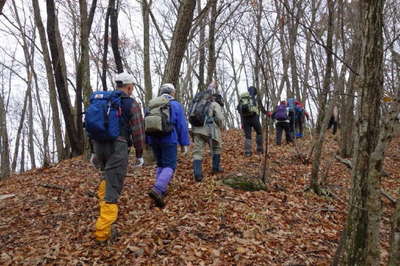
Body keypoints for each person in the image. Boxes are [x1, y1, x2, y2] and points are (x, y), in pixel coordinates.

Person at [92, 72, 145, 243]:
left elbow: (92, 126)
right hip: (118, 147)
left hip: (99, 146)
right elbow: (138, 131)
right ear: (129, 87)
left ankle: (103, 207)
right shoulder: (131, 104)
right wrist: (139, 154)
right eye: (132, 88)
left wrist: (94, 152)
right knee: (113, 187)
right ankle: (102, 233)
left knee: (106, 178)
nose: (132, 90)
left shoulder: (104, 102)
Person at [147, 83, 190, 207]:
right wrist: (184, 144)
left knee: (161, 164)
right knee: (170, 165)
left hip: (154, 139)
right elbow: (181, 126)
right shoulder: (175, 105)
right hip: (169, 139)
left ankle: (161, 189)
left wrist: (148, 142)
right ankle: (158, 189)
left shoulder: (151, 104)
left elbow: (147, 123)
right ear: (172, 92)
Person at [192, 82, 225, 182]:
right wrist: (221, 127)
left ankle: (198, 174)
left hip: (197, 129)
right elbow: (220, 118)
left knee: (197, 152)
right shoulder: (214, 104)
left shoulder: (198, 103)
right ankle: (215, 168)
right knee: (216, 148)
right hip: (210, 130)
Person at [237, 86, 265, 156]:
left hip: (245, 119)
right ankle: (260, 149)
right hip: (254, 118)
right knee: (259, 132)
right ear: (255, 92)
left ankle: (247, 152)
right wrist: (268, 113)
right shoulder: (256, 98)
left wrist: (242, 122)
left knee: (248, 136)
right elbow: (262, 108)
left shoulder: (243, 99)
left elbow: (239, 109)